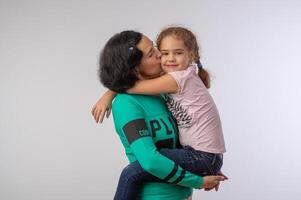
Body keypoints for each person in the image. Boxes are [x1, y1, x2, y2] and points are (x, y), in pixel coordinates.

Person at [93, 29, 227, 200]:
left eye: (156, 49)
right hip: (154, 196)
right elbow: (149, 160)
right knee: (130, 174)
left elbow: (186, 137)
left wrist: (204, 166)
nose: (160, 55)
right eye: (152, 53)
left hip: (183, 195)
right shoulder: (126, 104)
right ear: (134, 66)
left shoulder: (165, 93)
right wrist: (198, 181)